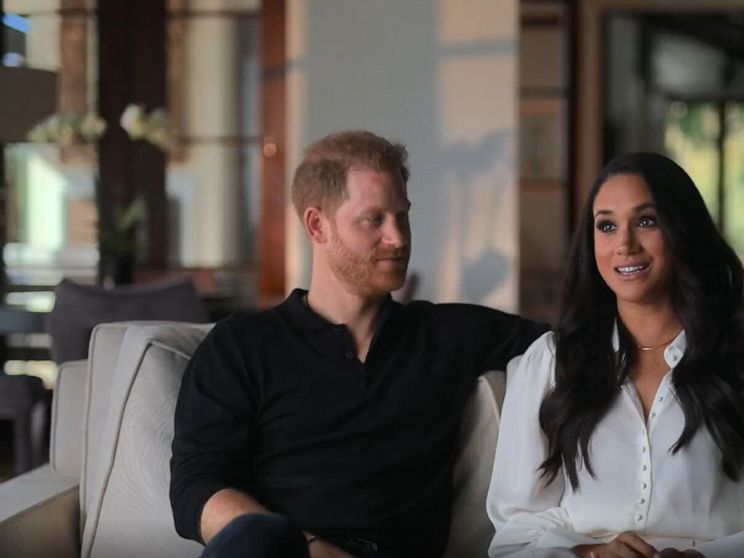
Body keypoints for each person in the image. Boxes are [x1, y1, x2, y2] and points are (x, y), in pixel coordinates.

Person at [170, 130, 547, 558]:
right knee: (252, 538)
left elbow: (581, 347)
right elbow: (196, 485)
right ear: (317, 225)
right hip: (282, 552)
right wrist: (309, 550)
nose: (399, 238)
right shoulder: (242, 346)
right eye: (375, 220)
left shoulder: (446, 335)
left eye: (402, 217)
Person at [486, 153, 744, 558]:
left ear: (681, 230)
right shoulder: (551, 363)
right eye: (606, 225)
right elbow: (514, 536)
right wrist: (590, 554)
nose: (625, 244)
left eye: (646, 221)